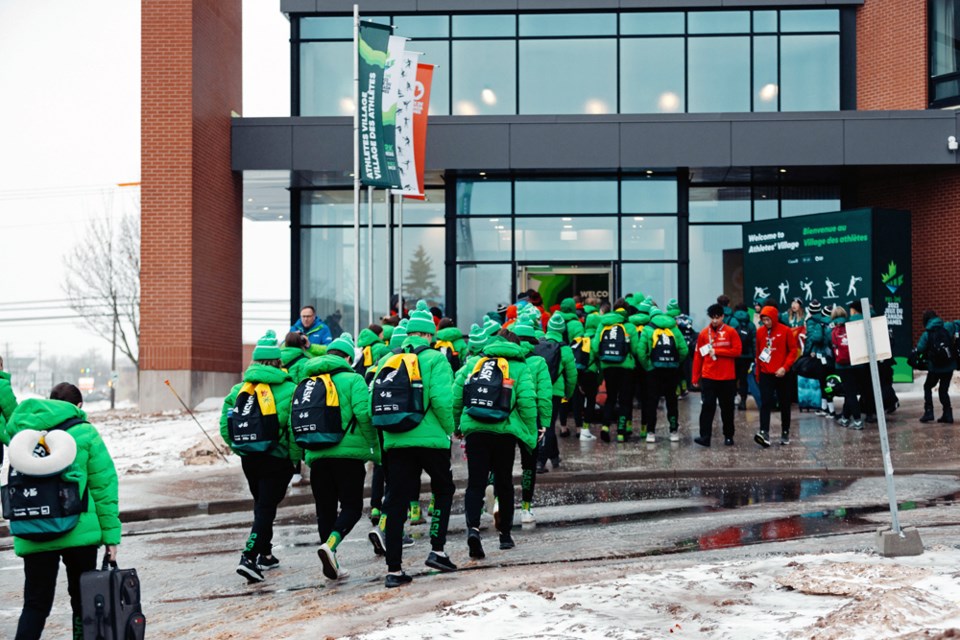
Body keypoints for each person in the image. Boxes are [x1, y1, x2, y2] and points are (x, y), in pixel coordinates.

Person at [3, 383, 120, 640]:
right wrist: (111, 537)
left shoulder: (22, 430)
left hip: (34, 528)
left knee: (35, 604)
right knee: (83, 601)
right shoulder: (86, 433)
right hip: (80, 532)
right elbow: (104, 487)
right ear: (78, 406)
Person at [372, 300, 458, 588]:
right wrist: (450, 429)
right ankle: (437, 550)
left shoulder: (388, 359)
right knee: (443, 488)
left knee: (395, 500)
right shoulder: (435, 359)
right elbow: (442, 400)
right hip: (431, 439)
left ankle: (394, 569)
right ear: (428, 334)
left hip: (397, 440)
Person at [220, 330, 302, 583]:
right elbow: (293, 429)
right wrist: (294, 459)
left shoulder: (239, 389)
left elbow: (226, 426)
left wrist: (241, 449)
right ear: (278, 361)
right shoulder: (289, 389)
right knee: (266, 507)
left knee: (261, 504)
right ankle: (249, 555)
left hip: (250, 458)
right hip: (277, 458)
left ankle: (265, 553)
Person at [299, 333, 380, 581]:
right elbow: (364, 416)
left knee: (325, 510)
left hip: (317, 455)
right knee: (352, 507)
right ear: (347, 357)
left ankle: (331, 558)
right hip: (348, 456)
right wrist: (374, 447)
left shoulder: (308, 382)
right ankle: (331, 546)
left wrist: (304, 453)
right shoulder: (353, 380)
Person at [453, 328, 538, 558]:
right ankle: (505, 536)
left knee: (475, 483)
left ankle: (473, 529)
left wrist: (457, 426)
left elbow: (456, 394)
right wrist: (530, 434)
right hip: (504, 432)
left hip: (476, 430)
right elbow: (528, 402)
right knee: (504, 482)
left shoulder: (475, 363)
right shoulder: (520, 367)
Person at [511, 317, 555, 525]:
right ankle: (526, 508)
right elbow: (545, 395)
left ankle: (499, 503)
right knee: (528, 464)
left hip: (507, 416)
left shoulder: (505, 360)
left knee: (501, 463)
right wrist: (544, 421)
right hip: (531, 417)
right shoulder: (538, 362)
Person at [692, 304, 742, 447]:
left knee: (727, 408)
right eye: (712, 318)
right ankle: (705, 437)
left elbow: (737, 351)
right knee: (707, 407)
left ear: (722, 317)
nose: (714, 321)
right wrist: (695, 377)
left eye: (717, 317)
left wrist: (718, 351)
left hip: (727, 377)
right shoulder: (703, 333)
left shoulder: (730, 332)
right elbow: (698, 356)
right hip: (709, 376)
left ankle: (728, 435)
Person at [637, 307, 690, 443]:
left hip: (654, 371)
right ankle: (673, 431)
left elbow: (641, 351)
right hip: (671, 370)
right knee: (671, 401)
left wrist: (648, 366)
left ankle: (651, 432)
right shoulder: (674, 328)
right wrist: (676, 363)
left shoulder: (648, 329)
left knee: (652, 401)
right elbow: (684, 350)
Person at [591, 300, 640, 443]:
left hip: (608, 366)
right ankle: (620, 431)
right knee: (624, 400)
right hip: (626, 368)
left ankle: (605, 427)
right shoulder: (629, 326)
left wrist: (602, 360)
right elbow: (636, 349)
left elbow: (595, 347)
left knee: (611, 398)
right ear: (626, 311)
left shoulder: (603, 323)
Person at [536, 313, 577, 471]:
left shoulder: (539, 343)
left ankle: (554, 456)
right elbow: (572, 376)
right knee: (548, 426)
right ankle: (540, 461)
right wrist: (568, 393)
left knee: (543, 424)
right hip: (555, 392)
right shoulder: (565, 349)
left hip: (539, 390)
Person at [754, 305, 799, 447]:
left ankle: (785, 431)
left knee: (784, 403)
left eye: (768, 319)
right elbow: (758, 353)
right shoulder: (760, 332)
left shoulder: (785, 331)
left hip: (782, 374)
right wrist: (758, 373)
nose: (766, 322)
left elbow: (793, 351)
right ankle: (764, 432)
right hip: (766, 373)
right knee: (765, 403)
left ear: (774, 318)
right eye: (763, 320)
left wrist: (785, 368)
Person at [915, 309, 955, 424]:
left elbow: (920, 348)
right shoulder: (947, 327)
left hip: (935, 367)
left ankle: (929, 412)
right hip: (949, 365)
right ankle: (948, 414)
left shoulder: (927, 333)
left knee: (928, 386)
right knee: (943, 390)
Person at [802, 300, 836, 418]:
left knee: (824, 383)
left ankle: (830, 410)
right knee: (826, 382)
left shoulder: (817, 323)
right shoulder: (833, 323)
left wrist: (807, 352)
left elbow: (814, 338)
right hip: (833, 357)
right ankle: (824, 408)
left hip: (821, 357)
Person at [732, 303, 756, 410]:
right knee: (744, 380)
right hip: (747, 357)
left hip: (734, 356)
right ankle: (743, 401)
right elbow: (754, 342)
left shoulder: (732, 322)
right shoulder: (751, 324)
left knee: (732, 378)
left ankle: (731, 399)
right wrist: (755, 356)